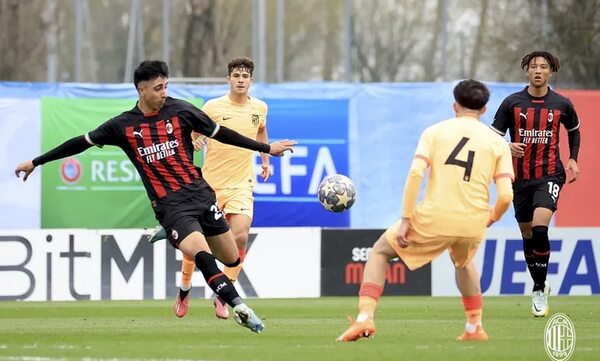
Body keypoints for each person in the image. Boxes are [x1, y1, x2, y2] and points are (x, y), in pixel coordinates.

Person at [14, 60, 296, 334]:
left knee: (232, 258)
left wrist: (266, 149)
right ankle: (240, 307)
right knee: (202, 255)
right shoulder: (122, 126)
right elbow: (80, 142)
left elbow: (223, 135)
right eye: (159, 88)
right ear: (141, 90)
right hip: (171, 206)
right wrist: (36, 162)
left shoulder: (182, 111)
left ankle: (170, 235)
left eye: (166, 86)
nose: (164, 93)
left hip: (201, 194)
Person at [336, 79, 514, 342]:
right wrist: (492, 216)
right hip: (474, 221)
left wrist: (407, 218)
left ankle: (365, 318)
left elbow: (416, 173)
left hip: (435, 216)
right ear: (485, 109)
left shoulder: (435, 132)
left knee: (380, 251)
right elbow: (507, 195)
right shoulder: (497, 142)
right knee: (464, 263)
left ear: (455, 105)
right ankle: (474, 326)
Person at [149, 57, 270, 320]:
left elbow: (261, 132)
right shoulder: (213, 107)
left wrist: (265, 160)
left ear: (251, 80)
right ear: (228, 80)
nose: (240, 80)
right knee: (197, 245)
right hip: (210, 186)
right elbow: (193, 132)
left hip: (241, 184)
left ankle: (223, 294)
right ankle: (184, 290)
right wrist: (195, 141)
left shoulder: (260, 108)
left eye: (245, 76)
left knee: (240, 236)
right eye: (236, 76)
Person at [490, 51, 581, 318]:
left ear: (551, 71)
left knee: (540, 228)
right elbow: (492, 138)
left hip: (550, 175)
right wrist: (506, 146)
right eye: (533, 66)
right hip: (519, 180)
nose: (538, 70)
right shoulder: (512, 103)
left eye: (543, 66)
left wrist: (573, 159)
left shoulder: (561, 104)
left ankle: (539, 288)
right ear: (526, 71)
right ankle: (540, 280)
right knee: (528, 234)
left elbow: (574, 130)